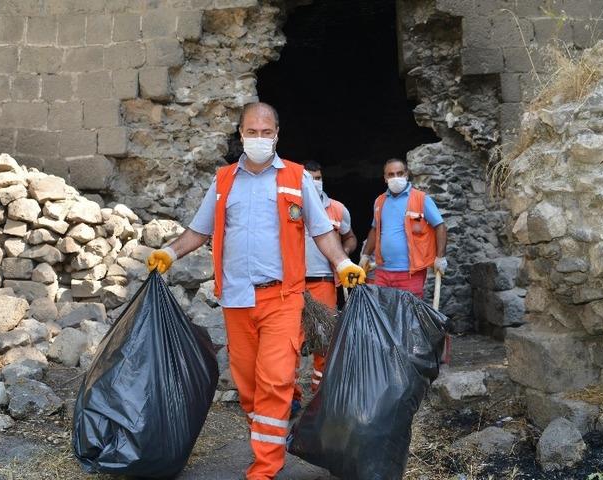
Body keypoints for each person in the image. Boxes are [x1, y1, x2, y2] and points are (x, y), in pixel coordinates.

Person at [146, 102, 366, 480]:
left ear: (277, 135)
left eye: (267, 133)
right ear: (241, 134)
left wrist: (342, 263)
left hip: (282, 298)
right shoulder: (223, 181)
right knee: (248, 387)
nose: (260, 139)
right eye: (252, 132)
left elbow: (321, 230)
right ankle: (271, 435)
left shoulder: (297, 178)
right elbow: (200, 230)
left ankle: (264, 467)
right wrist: (170, 251)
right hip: (235, 299)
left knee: (277, 379)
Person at [301, 160, 356, 394]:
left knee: (324, 339)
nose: (315, 183)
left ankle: (320, 394)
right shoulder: (289, 206)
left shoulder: (337, 209)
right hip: (292, 283)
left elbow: (350, 237)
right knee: (289, 341)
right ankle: (289, 397)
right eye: (309, 178)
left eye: (318, 178)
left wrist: (343, 258)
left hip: (323, 281)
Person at [359, 157, 447, 299]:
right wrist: (365, 255)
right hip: (382, 271)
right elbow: (375, 230)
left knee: (408, 316)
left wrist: (440, 257)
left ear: (406, 174)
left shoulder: (421, 199)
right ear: (385, 178)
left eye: (399, 173)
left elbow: (440, 226)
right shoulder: (380, 201)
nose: (396, 178)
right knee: (384, 316)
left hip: (411, 273)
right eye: (391, 174)